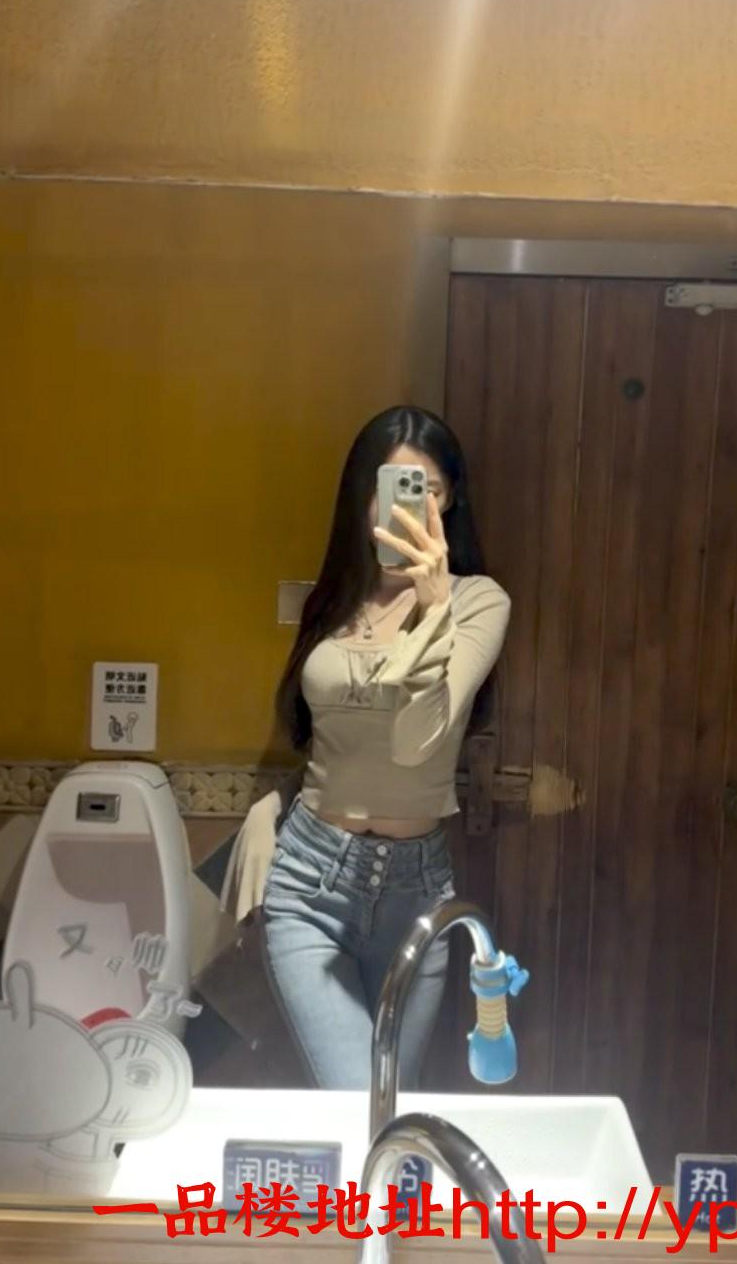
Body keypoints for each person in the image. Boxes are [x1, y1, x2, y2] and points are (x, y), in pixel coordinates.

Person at [221, 406, 510, 1089]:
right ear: (363, 497)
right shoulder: (332, 603)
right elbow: (322, 735)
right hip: (309, 882)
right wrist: (273, 805)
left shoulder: (478, 603)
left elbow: (416, 742)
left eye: (426, 490)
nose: (407, 508)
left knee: (387, 1104)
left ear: (450, 498)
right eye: (390, 488)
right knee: (357, 1098)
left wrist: (433, 609)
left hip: (415, 893)